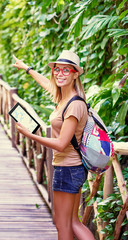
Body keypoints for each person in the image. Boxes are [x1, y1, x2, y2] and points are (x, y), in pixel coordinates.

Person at [12, 50, 95, 240]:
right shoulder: (64, 96)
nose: (60, 74)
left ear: (75, 75)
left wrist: (29, 134)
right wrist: (27, 69)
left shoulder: (74, 104)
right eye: (57, 70)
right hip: (70, 167)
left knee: (63, 223)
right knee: (72, 222)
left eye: (66, 71)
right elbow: (47, 84)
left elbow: (61, 143)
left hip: (68, 168)